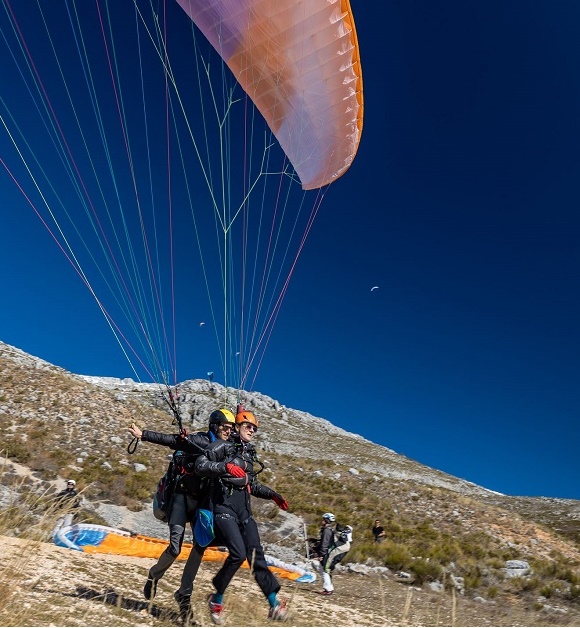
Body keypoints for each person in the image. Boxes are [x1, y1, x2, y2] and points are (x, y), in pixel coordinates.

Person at [127, 408, 241, 623]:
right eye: (226, 428)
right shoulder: (199, 439)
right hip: (182, 498)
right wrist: (144, 435)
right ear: (215, 426)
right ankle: (154, 575)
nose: (229, 432)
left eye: (230, 428)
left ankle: (184, 596)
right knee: (175, 547)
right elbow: (173, 441)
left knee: (200, 546)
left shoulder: (229, 446)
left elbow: (242, 439)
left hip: (202, 503)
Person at [195, 408, 289, 624]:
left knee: (257, 557)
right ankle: (216, 598)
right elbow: (201, 465)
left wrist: (272, 495)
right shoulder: (223, 446)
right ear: (236, 427)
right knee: (238, 554)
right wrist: (225, 466)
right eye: (248, 426)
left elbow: (251, 484)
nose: (252, 430)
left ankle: (273, 603)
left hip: (244, 513)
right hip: (223, 508)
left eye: (255, 428)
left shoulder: (248, 454)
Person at [312, 512, 352, 595]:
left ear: (326, 520)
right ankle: (329, 587)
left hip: (336, 550)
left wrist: (321, 555)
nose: (322, 521)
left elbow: (325, 544)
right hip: (339, 549)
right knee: (325, 568)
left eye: (323, 519)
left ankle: (328, 589)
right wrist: (313, 540)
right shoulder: (330, 529)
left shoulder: (326, 530)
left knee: (325, 568)